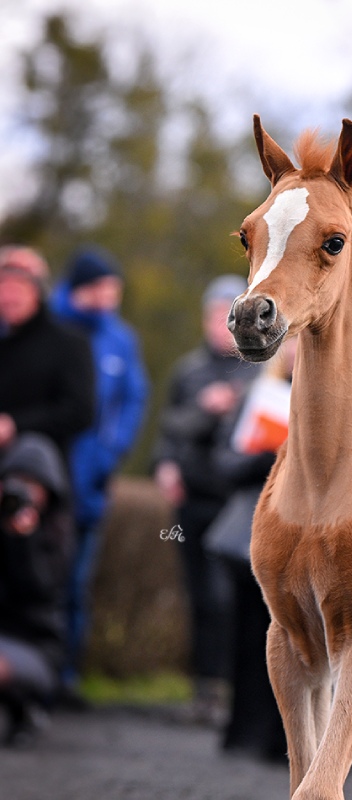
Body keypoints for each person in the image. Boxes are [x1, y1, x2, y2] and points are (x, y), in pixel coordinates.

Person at [153, 274, 258, 726]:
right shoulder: (188, 371)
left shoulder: (257, 368)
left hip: (235, 504)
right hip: (189, 505)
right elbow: (169, 429)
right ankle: (204, 688)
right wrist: (165, 465)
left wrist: (230, 408)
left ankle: (235, 690)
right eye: (213, 315)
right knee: (198, 595)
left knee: (229, 597)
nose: (220, 323)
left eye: (227, 315)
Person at [50, 246, 149, 703]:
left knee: (75, 582)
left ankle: (63, 674)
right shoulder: (50, 326)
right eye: (105, 289)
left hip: (90, 481)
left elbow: (133, 399)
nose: (112, 298)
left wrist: (112, 452)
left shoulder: (119, 338)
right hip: (47, 474)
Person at [207, 337, 296, 762]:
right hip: (250, 534)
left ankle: (282, 739)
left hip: (301, 542)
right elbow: (223, 464)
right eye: (290, 342)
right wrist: (264, 458)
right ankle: (241, 731)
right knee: (245, 636)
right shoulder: (256, 396)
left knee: (294, 643)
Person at [0, 433, 75, 746]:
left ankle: (25, 709)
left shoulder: (56, 537)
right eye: (17, 480)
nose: (24, 491)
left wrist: (24, 542)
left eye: (34, 483)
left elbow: (40, 592)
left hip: (34, 645)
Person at [0, 245, 95, 460]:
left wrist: (15, 425)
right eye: (3, 288)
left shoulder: (69, 344)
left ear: (38, 292)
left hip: (41, 472)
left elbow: (80, 412)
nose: (9, 298)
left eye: (18, 288)